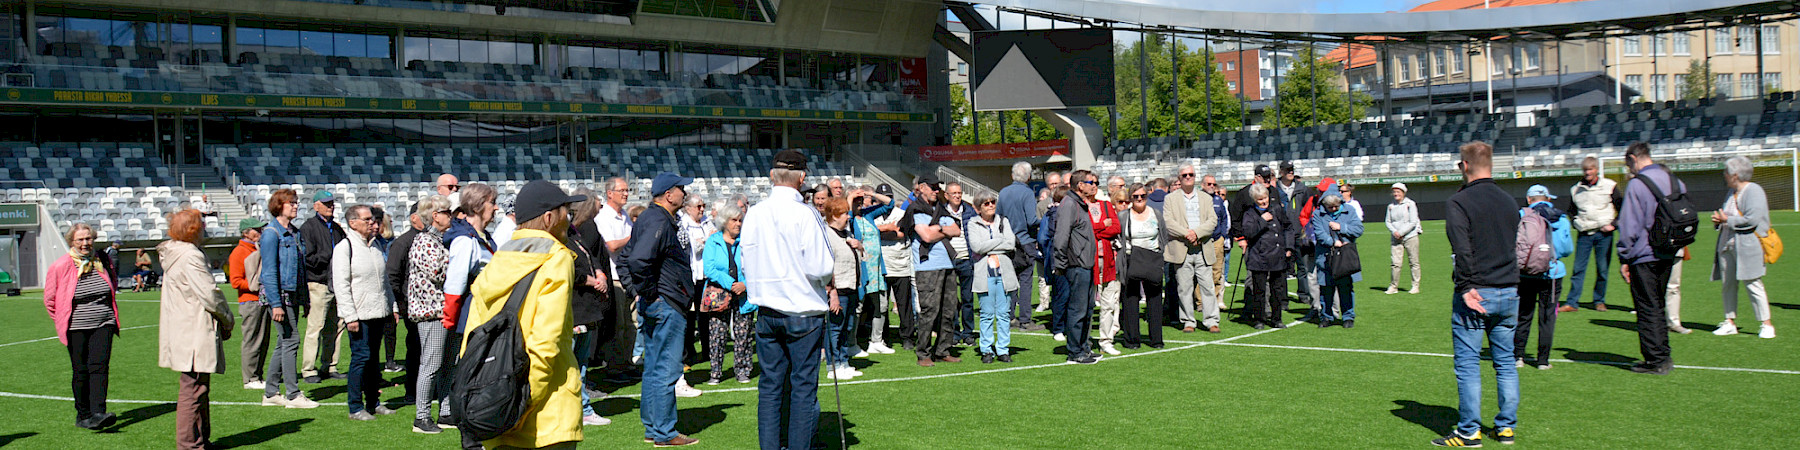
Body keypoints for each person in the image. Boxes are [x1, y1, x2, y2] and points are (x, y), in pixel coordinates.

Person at [462, 180, 588, 449]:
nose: (569, 220)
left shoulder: (498, 257)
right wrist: (524, 402)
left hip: (495, 405)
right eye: (568, 212)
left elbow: (472, 340)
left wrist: (493, 401)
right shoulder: (557, 258)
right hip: (544, 412)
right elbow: (545, 342)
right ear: (549, 218)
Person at [743, 149, 835, 450]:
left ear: (772, 176)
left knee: (770, 388)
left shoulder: (755, 212)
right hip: (802, 311)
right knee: (803, 388)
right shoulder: (805, 213)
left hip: (768, 311)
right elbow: (821, 267)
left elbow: (747, 259)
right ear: (803, 177)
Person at [1434, 141, 1520, 447]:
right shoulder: (1509, 201)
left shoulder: (1459, 202)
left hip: (1477, 291)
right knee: (1506, 361)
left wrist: (1467, 285)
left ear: (1465, 165)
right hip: (1509, 289)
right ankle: (1506, 427)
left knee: (1469, 364)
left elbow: (1462, 249)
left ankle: (1469, 431)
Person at [628, 172, 702, 447]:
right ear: (668, 195)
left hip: (661, 301)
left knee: (654, 368)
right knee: (666, 370)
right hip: (666, 303)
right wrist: (650, 294)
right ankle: (664, 432)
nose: (684, 193)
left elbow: (629, 257)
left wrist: (643, 294)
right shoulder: (658, 219)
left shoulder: (651, 218)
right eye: (680, 189)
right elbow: (636, 260)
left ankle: (654, 427)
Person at [158, 210, 234, 450]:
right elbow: (210, 294)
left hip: (182, 327)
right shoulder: (190, 255)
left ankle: (199, 439)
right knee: (194, 390)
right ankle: (190, 444)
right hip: (193, 328)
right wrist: (227, 319)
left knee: (197, 388)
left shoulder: (174, 252)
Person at [44, 223, 121, 430]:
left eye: (88, 239)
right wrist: (63, 320)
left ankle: (98, 413)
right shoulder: (61, 266)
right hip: (75, 326)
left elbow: (111, 286)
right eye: (80, 239)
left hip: (104, 322)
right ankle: (83, 415)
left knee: (100, 367)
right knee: (81, 370)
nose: (85, 243)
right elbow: (50, 300)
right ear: (72, 242)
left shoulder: (103, 261)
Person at [1617, 142, 1682, 374]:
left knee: (1647, 307)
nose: (1629, 170)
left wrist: (1624, 255)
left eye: (1628, 165)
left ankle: (1656, 359)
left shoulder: (1637, 184)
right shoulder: (1674, 179)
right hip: (1669, 250)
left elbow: (1629, 225)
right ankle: (1663, 354)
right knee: (1658, 303)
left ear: (1634, 158)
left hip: (1644, 253)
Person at [438, 182, 498, 435]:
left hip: (483, 311)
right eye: (492, 202)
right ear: (479, 205)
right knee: (464, 366)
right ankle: (455, 411)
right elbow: (455, 284)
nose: (495, 208)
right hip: (470, 315)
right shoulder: (465, 240)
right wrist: (451, 321)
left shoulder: (482, 237)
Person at [333, 204, 398, 420]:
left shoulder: (376, 245)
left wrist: (392, 307)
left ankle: (373, 402)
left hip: (379, 312)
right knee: (360, 359)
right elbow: (341, 285)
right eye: (367, 219)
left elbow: (384, 281)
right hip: (359, 315)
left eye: (373, 219)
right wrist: (350, 316)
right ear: (353, 223)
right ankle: (355, 406)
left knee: (373, 361)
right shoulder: (345, 248)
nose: (373, 223)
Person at [258, 189, 319, 409]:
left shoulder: (293, 232)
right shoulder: (271, 233)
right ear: (279, 205)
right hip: (279, 296)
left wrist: (304, 299)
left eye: (296, 202)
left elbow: (300, 269)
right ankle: (293, 394)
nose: (295, 206)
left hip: (291, 294)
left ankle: (271, 392)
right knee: (291, 340)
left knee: (283, 342)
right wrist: (276, 303)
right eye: (290, 203)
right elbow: (269, 271)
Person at [1710, 156, 1776, 339]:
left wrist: (1726, 220)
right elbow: (1727, 216)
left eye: (1726, 172)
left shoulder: (1754, 190)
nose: (1724, 175)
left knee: (1753, 284)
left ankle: (1766, 324)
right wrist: (1719, 221)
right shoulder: (1730, 193)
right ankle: (1729, 321)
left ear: (1735, 175)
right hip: (1726, 244)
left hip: (1748, 246)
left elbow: (1752, 220)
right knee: (1727, 284)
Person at [566, 188, 615, 426]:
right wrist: (591, 280)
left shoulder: (572, 232)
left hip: (585, 308)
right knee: (573, 363)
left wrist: (599, 272)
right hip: (574, 308)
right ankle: (580, 408)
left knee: (581, 361)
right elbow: (567, 271)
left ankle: (581, 406)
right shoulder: (556, 238)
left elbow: (590, 257)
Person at [406, 195, 455, 433]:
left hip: (443, 311)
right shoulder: (424, 241)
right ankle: (421, 417)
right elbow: (439, 271)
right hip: (431, 313)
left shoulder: (441, 241)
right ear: (435, 216)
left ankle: (445, 412)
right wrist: (457, 260)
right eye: (447, 212)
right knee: (431, 365)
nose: (452, 216)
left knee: (448, 364)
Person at [1517, 185, 1574, 370]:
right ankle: (1542, 360)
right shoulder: (1561, 217)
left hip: (1526, 272)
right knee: (1548, 316)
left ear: (1528, 199)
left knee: (1523, 314)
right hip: (1553, 273)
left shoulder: (1521, 215)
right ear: (1547, 198)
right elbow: (1567, 248)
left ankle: (1518, 356)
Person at [909, 174, 963, 366]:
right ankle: (923, 353)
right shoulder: (915, 209)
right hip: (927, 267)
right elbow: (926, 236)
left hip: (947, 265)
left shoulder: (940, 209)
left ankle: (943, 350)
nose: (935, 191)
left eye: (937, 187)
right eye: (931, 187)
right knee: (929, 311)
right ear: (921, 187)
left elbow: (956, 230)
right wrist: (941, 229)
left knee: (948, 311)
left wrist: (936, 228)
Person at [1164, 164, 1220, 334]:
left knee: (1208, 287)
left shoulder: (1206, 198)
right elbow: (1168, 222)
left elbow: (1212, 221)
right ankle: (1188, 320)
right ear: (1179, 178)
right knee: (1184, 287)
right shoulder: (1170, 199)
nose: (1188, 177)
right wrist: (1187, 234)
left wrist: (1196, 233)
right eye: (1184, 175)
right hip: (1182, 248)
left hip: (1202, 248)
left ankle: (1211, 320)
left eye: (1191, 174)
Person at [703, 203, 755, 384]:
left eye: (740, 220)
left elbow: (758, 267)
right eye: (734, 220)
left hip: (744, 295)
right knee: (717, 333)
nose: (738, 224)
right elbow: (709, 269)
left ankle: (742, 370)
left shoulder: (748, 240)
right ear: (725, 221)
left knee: (744, 334)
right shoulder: (713, 240)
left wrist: (745, 285)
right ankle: (715, 372)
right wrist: (731, 284)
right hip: (719, 293)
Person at [1054, 170, 1102, 365]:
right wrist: (1062, 264)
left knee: (1087, 309)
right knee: (1077, 309)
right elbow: (1061, 238)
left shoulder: (1080, 204)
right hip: (1076, 265)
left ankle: (1083, 347)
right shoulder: (1069, 204)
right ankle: (1075, 352)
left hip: (1085, 265)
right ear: (1080, 185)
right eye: (1091, 182)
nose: (1094, 185)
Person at [299, 190, 347, 383]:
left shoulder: (336, 228)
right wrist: (331, 258)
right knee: (316, 326)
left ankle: (330, 365)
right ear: (316, 205)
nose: (331, 206)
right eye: (327, 204)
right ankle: (309, 369)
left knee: (336, 326)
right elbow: (309, 257)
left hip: (336, 282)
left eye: (332, 203)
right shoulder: (308, 227)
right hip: (318, 282)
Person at [966, 191, 1019, 362]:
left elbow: (1011, 244)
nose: (990, 206)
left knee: (1004, 313)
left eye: (992, 202)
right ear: (979, 207)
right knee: (987, 313)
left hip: (1004, 273)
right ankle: (986, 350)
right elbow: (977, 247)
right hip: (984, 273)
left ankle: (1003, 349)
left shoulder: (1004, 221)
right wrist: (999, 240)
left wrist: (989, 246)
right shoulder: (973, 223)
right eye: (986, 203)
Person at [595, 177, 637, 381]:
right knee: (619, 324)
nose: (626, 194)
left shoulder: (624, 216)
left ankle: (626, 362)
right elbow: (610, 245)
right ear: (610, 193)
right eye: (622, 190)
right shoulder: (604, 217)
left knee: (631, 323)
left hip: (627, 275)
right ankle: (614, 366)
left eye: (627, 190)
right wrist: (634, 237)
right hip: (614, 276)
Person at [1565, 155, 1620, 312]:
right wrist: (1576, 223)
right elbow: (1571, 211)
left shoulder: (1610, 186)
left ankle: (1599, 301)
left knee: (1602, 269)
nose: (1587, 172)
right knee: (1578, 269)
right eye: (1585, 170)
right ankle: (1572, 303)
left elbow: (1622, 208)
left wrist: (1614, 225)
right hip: (1584, 234)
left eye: (1590, 169)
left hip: (1604, 234)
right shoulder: (1576, 189)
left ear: (1597, 170)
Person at [386, 203, 428, 397]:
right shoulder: (403, 242)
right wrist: (401, 305)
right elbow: (393, 276)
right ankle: (412, 389)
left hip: (427, 306)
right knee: (415, 348)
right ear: (413, 218)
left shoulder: (430, 239)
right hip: (411, 306)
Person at [1118, 184, 1166, 349]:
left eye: (1143, 196)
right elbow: (1118, 238)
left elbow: (1163, 236)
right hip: (1131, 259)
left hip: (1152, 258)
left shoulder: (1156, 214)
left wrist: (1161, 254)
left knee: (1154, 299)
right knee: (1130, 299)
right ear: (1131, 198)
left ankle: (1156, 339)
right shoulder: (1123, 216)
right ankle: (1132, 339)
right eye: (1136, 196)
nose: (1139, 199)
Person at [848, 185, 893, 355]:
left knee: (881, 304)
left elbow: (890, 204)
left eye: (861, 201)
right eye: (856, 201)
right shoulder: (849, 218)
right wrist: (850, 198)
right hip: (861, 269)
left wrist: (871, 194)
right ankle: (852, 344)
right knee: (858, 307)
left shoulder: (868, 214)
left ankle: (877, 340)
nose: (860, 203)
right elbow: (847, 219)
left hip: (876, 268)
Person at [998, 162, 1043, 331]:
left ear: (1012, 175)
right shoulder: (1027, 193)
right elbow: (1032, 220)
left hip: (1008, 242)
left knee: (1009, 282)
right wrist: (1045, 220)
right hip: (1026, 242)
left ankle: (1010, 317)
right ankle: (1025, 320)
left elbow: (999, 218)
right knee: (1025, 281)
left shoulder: (1003, 193)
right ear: (1029, 177)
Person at [822, 197, 863, 379]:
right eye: (845, 213)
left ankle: (844, 361)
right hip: (838, 290)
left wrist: (859, 246)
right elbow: (827, 267)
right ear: (835, 215)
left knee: (848, 327)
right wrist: (833, 292)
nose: (848, 216)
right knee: (835, 328)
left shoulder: (846, 234)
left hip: (851, 286)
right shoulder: (827, 235)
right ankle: (833, 365)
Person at [1241, 185, 1292, 330]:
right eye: (1260, 199)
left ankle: (1277, 319)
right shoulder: (1250, 213)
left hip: (1277, 254)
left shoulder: (1276, 208)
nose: (1264, 202)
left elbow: (1288, 227)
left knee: (1277, 290)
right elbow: (1249, 232)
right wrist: (1262, 220)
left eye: (1265, 198)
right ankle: (1259, 319)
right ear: (1254, 200)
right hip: (1259, 256)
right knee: (1259, 291)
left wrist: (1289, 247)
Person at [1311, 189, 1363, 328]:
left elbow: (1359, 229)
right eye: (1330, 207)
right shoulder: (1317, 214)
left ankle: (1348, 316)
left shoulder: (1350, 210)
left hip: (1345, 257)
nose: (1334, 209)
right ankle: (1327, 317)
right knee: (1326, 289)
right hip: (1325, 257)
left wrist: (1342, 227)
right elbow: (1319, 233)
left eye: (1336, 206)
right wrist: (1332, 242)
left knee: (1346, 288)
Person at [873, 184, 917, 350]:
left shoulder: (901, 213)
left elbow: (901, 233)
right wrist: (887, 230)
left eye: (889, 196)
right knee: (881, 304)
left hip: (900, 264)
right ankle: (883, 336)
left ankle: (907, 337)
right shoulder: (872, 213)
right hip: (881, 264)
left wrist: (879, 231)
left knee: (904, 304)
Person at [230, 218, 270, 391]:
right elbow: (235, 281)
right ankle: (250, 378)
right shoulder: (239, 252)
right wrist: (257, 285)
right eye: (256, 229)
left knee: (263, 340)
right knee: (252, 340)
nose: (260, 232)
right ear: (246, 232)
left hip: (262, 300)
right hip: (250, 301)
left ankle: (258, 375)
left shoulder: (257, 248)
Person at [943, 182, 978, 347]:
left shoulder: (969, 211)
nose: (957, 195)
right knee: (951, 300)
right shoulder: (941, 212)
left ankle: (968, 332)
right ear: (947, 195)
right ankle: (954, 333)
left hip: (966, 259)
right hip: (948, 259)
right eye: (954, 193)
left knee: (968, 299)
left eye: (959, 192)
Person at [1093, 178, 1125, 356]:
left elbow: (1115, 227)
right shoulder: (1081, 207)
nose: (1093, 186)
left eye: (1096, 182)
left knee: (1109, 303)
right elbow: (1084, 229)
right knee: (1087, 305)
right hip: (1087, 261)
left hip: (1107, 260)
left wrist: (1096, 231)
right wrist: (1100, 226)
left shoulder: (1105, 205)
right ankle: (1084, 341)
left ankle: (1106, 340)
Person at [1385, 183, 1423, 295]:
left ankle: (1415, 286)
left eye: (1398, 191)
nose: (1396, 194)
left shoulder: (1410, 204)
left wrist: (1401, 232)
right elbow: (1388, 221)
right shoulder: (1391, 206)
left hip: (1410, 236)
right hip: (1396, 238)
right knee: (1395, 263)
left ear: (1403, 192)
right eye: (1394, 192)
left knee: (1413, 261)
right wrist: (1394, 232)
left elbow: (1413, 221)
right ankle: (1393, 286)